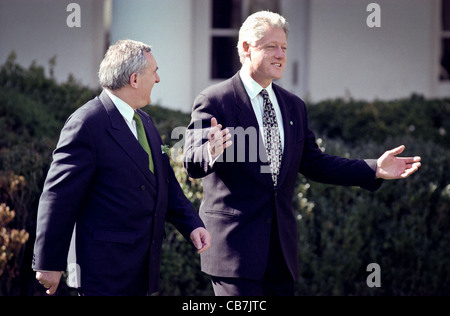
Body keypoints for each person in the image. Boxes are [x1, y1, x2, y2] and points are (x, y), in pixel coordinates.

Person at [183, 11, 421, 296]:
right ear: (246, 48)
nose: (280, 55)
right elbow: (191, 162)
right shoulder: (214, 100)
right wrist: (211, 150)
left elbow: (314, 163)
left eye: (284, 48)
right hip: (234, 253)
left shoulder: (293, 106)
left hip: (281, 255)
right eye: (271, 47)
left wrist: (373, 169)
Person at [32, 39, 210, 296]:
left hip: (143, 270)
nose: (158, 79)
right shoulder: (87, 123)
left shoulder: (146, 123)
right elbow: (58, 196)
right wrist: (48, 263)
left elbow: (164, 184)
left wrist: (192, 224)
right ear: (135, 79)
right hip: (104, 272)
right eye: (154, 72)